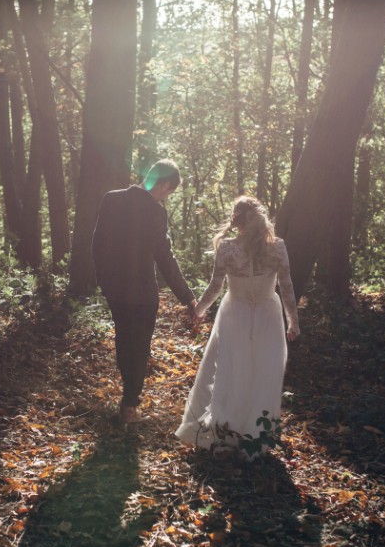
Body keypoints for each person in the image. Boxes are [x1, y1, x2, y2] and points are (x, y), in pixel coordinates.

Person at [175, 196, 299, 457]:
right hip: (268, 315)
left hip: (235, 315)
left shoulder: (228, 247)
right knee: (263, 373)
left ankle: (224, 433)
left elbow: (215, 287)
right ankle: (254, 435)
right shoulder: (277, 246)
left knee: (230, 371)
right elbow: (286, 287)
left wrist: (197, 311)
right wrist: (293, 321)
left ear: (236, 220)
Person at [93, 159, 198, 424]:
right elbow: (165, 258)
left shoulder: (111, 199)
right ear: (163, 185)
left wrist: (105, 282)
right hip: (141, 292)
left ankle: (129, 397)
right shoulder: (155, 212)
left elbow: (97, 243)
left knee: (124, 339)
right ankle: (130, 403)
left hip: (115, 288)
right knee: (138, 346)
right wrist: (187, 296)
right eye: (169, 191)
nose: (166, 196)